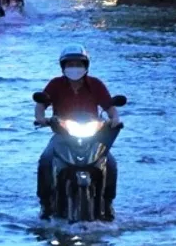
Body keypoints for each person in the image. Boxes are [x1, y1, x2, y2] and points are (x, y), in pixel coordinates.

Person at [34, 45, 122, 221]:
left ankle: (107, 203)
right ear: (63, 66)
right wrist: (41, 118)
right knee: (45, 160)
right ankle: (45, 204)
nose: (74, 67)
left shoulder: (96, 84)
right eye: (70, 64)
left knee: (110, 163)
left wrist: (115, 119)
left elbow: (110, 107)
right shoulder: (55, 84)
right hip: (62, 134)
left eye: (78, 63)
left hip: (93, 135)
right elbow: (41, 104)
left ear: (86, 65)